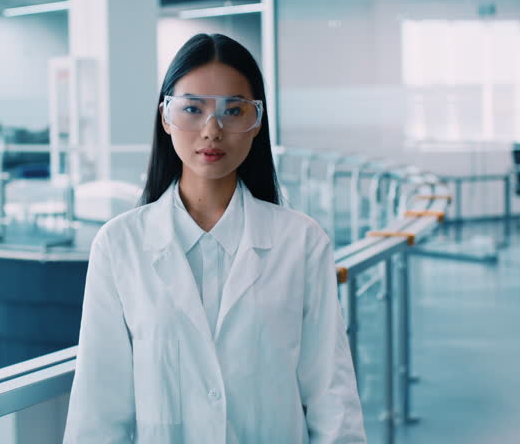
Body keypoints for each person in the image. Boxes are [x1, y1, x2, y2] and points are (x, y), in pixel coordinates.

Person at [63, 33, 365, 444]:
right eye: (192, 108)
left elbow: (334, 402)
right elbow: (98, 411)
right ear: (166, 117)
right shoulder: (119, 246)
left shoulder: (302, 243)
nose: (212, 130)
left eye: (233, 111)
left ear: (257, 122)